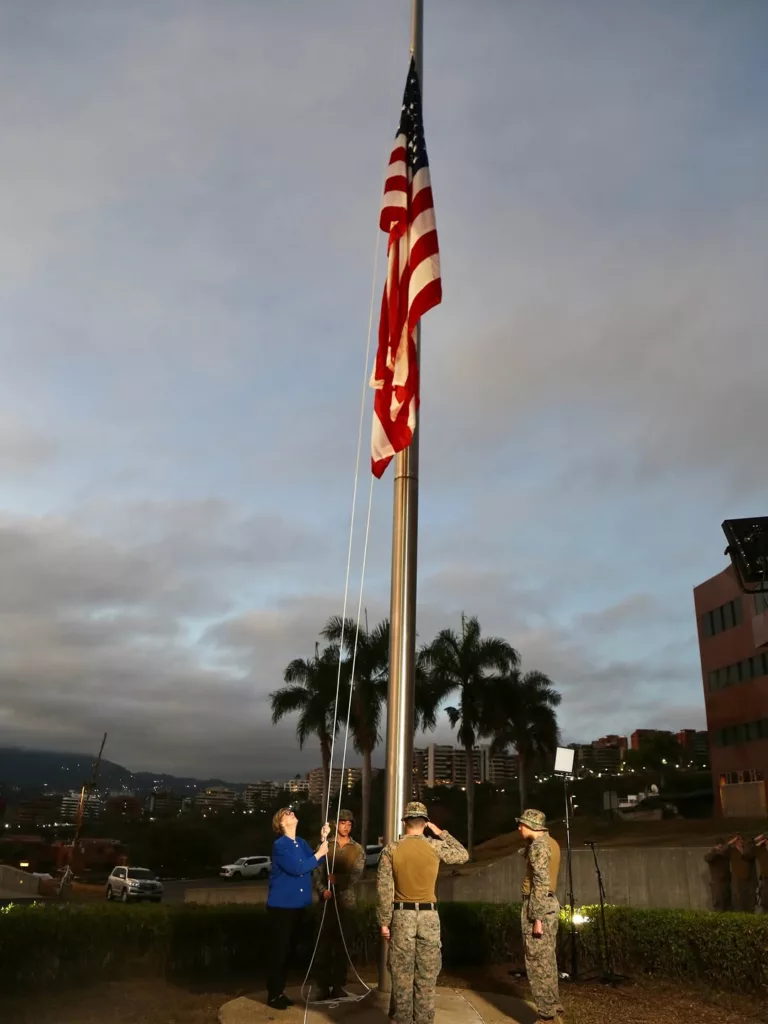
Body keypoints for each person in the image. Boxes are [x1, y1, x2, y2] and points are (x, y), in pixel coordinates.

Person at [377, 800, 468, 1024]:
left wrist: (384, 922)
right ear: (425, 823)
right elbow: (463, 855)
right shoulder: (434, 846)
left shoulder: (391, 849)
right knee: (427, 975)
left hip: (402, 917)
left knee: (402, 975)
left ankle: (402, 1020)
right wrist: (440, 832)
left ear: (404, 822)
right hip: (429, 916)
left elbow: (384, 890)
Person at [266, 806, 330, 1010]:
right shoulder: (280, 845)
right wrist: (319, 852)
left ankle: (280, 991)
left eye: (291, 811)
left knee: (290, 951)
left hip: (299, 906)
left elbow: (314, 860)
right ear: (281, 823)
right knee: (279, 952)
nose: (291, 813)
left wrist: (323, 840)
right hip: (282, 907)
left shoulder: (300, 842)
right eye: (287, 813)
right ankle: (274, 994)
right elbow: (298, 867)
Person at [312, 809, 365, 1000]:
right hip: (326, 901)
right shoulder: (326, 845)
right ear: (337, 824)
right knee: (323, 945)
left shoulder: (357, 849)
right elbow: (316, 871)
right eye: (343, 823)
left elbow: (356, 875)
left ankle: (339, 985)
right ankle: (323, 986)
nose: (346, 826)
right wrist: (321, 890)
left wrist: (339, 881)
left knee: (343, 945)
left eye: (349, 823)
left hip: (346, 902)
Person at [517, 809, 562, 1024]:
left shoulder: (538, 847)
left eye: (522, 825)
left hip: (539, 905)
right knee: (548, 959)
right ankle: (554, 1006)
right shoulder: (550, 842)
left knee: (537, 963)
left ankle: (546, 1016)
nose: (519, 828)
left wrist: (537, 917)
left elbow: (540, 882)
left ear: (533, 826)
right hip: (550, 902)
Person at [727, 833, 757, 912]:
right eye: (738, 839)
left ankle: (750, 913)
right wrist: (730, 842)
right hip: (737, 878)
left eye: (741, 839)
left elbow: (751, 855)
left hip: (748, 878)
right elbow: (722, 850)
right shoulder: (731, 850)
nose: (740, 841)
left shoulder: (747, 851)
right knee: (738, 899)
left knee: (749, 898)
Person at [704, 838, 731, 911]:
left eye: (721, 846)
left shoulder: (724, 855)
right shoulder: (712, 855)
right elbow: (707, 858)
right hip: (717, 881)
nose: (720, 848)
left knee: (727, 902)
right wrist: (714, 851)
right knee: (719, 902)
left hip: (726, 880)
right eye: (718, 846)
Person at [743, 833, 768, 914]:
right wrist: (753, 841)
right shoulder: (760, 849)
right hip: (765, 879)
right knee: (765, 902)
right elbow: (745, 855)